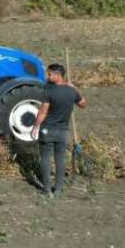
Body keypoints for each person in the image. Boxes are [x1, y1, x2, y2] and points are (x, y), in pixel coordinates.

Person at [31, 63, 87, 196]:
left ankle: (46, 189)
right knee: (60, 159)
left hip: (47, 130)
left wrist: (35, 126)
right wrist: (75, 89)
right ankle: (58, 189)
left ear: (57, 75)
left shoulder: (49, 91)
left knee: (45, 158)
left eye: (49, 74)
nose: (47, 76)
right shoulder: (71, 91)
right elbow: (83, 104)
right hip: (62, 131)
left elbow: (43, 112)